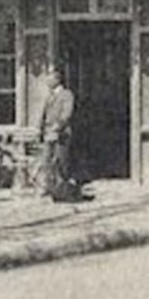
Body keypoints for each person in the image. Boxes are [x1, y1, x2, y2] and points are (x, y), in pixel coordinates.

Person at [40, 69, 91, 203]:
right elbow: (43, 115)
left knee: (61, 161)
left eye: (50, 79)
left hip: (61, 133)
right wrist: (41, 129)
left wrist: (58, 126)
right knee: (47, 161)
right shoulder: (49, 96)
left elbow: (67, 113)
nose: (47, 82)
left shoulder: (66, 95)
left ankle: (63, 190)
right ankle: (50, 187)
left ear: (57, 80)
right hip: (48, 132)